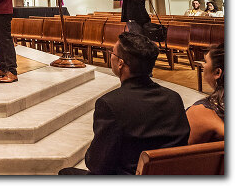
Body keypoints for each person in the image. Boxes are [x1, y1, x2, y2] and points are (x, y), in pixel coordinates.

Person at [59, 32, 190, 175]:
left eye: (112, 53)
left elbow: (97, 164)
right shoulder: (174, 98)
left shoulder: (111, 104)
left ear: (121, 63)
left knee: (66, 173)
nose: (111, 56)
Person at [186, 43, 224, 144]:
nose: (203, 65)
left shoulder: (202, 112)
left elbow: (183, 153)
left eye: (206, 61)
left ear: (217, 73)